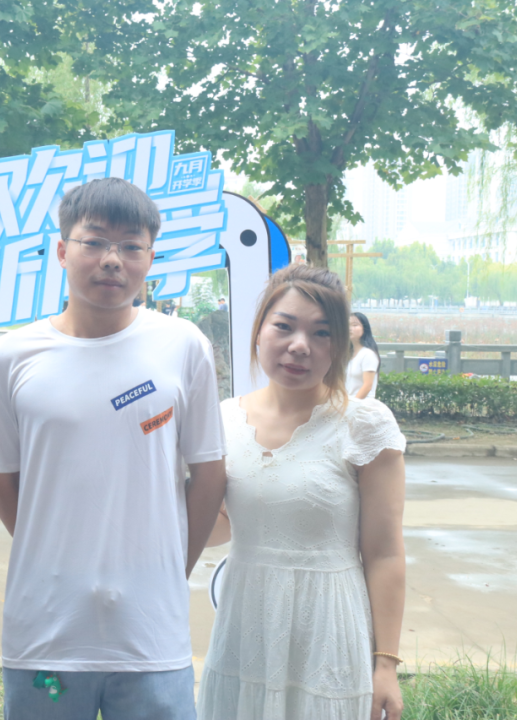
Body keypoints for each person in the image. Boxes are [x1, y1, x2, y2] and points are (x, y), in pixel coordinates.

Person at [0, 177, 227, 720]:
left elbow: (208, 475)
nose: (113, 259)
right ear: (62, 251)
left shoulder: (183, 345)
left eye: (131, 246)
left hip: (151, 636)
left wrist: (167, 568)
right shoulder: (8, 358)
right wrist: (56, 555)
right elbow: (4, 484)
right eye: (94, 242)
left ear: (150, 258)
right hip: (45, 632)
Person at [198, 264, 406, 720]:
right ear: (259, 331)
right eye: (284, 326)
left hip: (329, 632)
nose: (299, 345)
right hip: (244, 627)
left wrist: (386, 664)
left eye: (321, 333)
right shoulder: (223, 418)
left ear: (340, 346)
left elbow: (385, 553)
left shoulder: (364, 425)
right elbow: (222, 525)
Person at [348, 312, 381, 399]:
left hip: (363, 404)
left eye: (355, 325)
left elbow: (367, 386)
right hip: (346, 403)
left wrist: (352, 404)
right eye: (347, 325)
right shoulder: (347, 354)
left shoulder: (368, 354)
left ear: (365, 329)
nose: (349, 328)